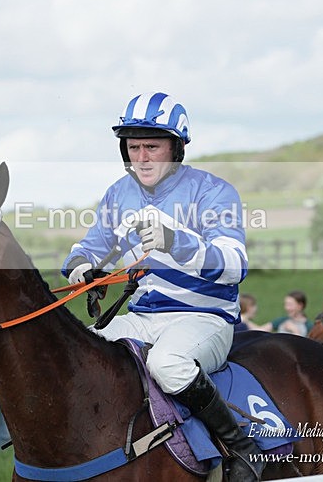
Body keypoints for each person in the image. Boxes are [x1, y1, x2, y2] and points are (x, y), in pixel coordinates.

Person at [61, 92, 262, 480]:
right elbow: (88, 249)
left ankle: (241, 447)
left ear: (176, 147)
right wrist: (81, 267)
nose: (142, 157)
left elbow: (235, 265)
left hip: (204, 318)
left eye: (152, 146)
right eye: (133, 147)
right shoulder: (119, 194)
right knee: (78, 354)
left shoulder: (214, 192)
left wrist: (176, 242)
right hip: (142, 317)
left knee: (167, 364)